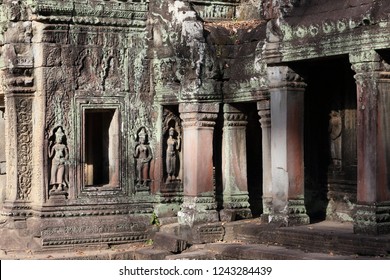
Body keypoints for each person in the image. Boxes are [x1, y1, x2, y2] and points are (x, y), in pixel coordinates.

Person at [49, 127, 68, 193]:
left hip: (61, 161)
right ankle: (54, 186)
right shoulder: (54, 146)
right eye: (58, 138)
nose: (59, 139)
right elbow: (50, 155)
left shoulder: (63, 146)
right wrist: (49, 146)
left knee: (60, 174)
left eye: (60, 138)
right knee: (53, 173)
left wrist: (64, 159)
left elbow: (67, 154)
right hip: (54, 161)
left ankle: (60, 185)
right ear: (56, 139)